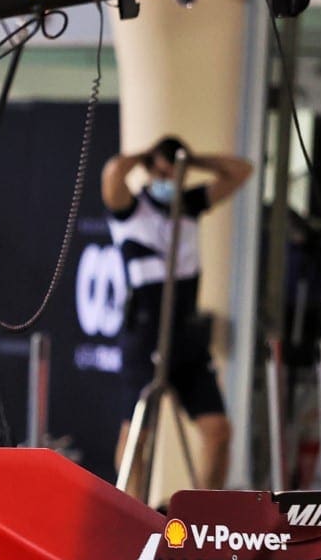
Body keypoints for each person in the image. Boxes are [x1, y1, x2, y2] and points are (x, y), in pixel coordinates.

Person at [101, 135, 253, 490]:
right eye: (163, 175)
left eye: (175, 176)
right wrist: (148, 156)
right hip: (145, 332)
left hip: (186, 333)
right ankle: (131, 511)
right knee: (137, 432)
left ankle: (202, 518)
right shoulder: (130, 208)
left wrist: (193, 161)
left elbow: (242, 171)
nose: (170, 181)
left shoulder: (190, 205)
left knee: (217, 432)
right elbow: (113, 172)